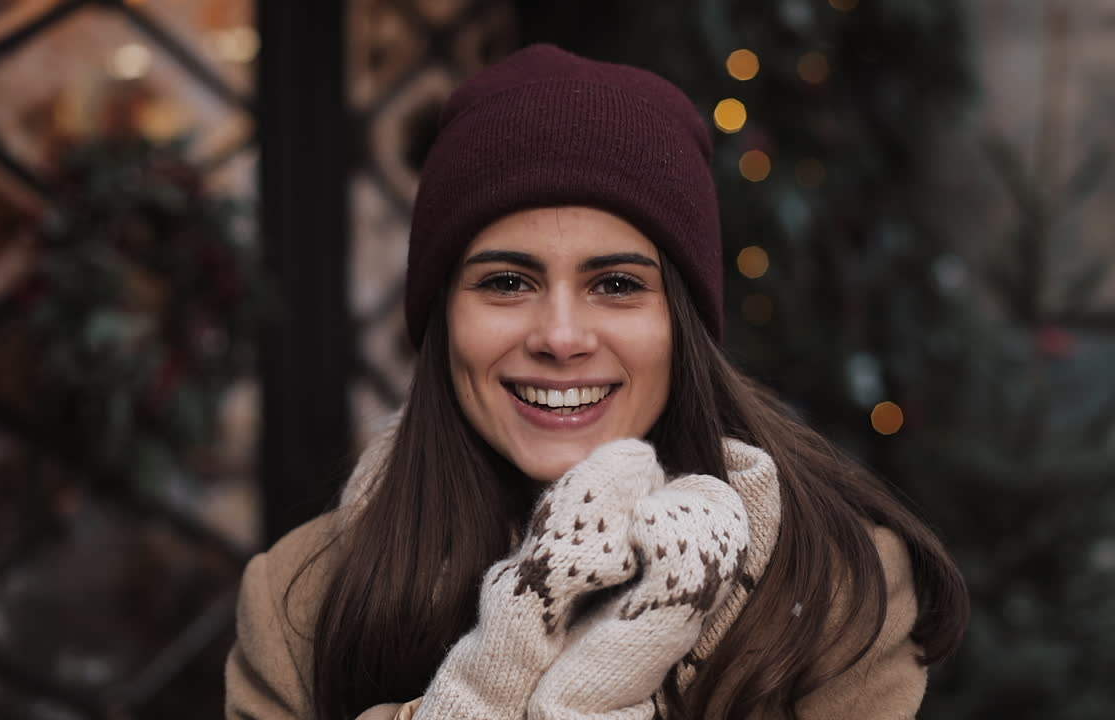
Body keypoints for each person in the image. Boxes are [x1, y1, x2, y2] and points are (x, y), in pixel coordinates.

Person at [226, 43, 968, 720]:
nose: (560, 337)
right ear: (442, 315)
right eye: (507, 281)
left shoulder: (838, 585)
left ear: (682, 324)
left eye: (615, 284)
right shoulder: (299, 600)